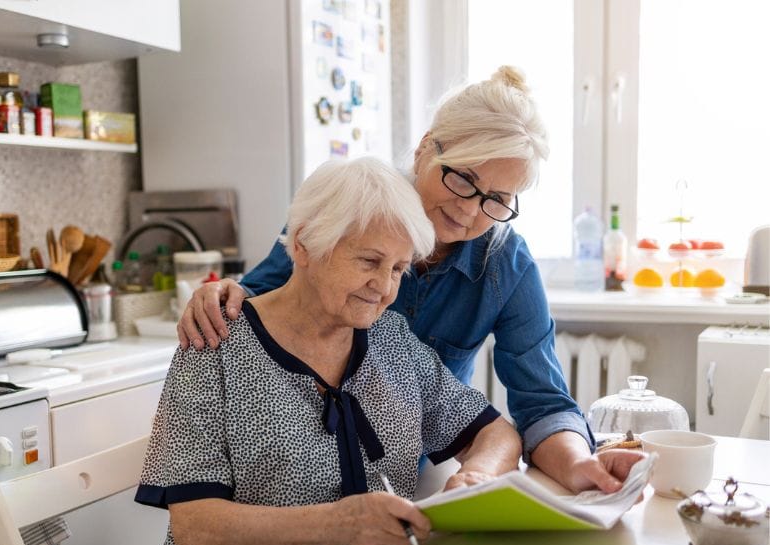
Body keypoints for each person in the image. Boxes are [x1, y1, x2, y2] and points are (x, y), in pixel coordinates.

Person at [176, 66, 645, 495]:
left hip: (410, 475)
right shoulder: (348, 209)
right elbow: (260, 302)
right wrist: (221, 294)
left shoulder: (507, 266)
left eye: (496, 199)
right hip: (295, 478)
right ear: (426, 147)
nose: (467, 209)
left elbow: (542, 403)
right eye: (463, 178)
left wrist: (580, 463)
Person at [136, 157, 522, 545]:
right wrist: (342, 525)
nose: (384, 287)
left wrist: (479, 477)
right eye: (369, 261)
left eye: (398, 269)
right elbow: (198, 528)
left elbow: (496, 433)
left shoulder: (390, 340)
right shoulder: (216, 343)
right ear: (303, 245)